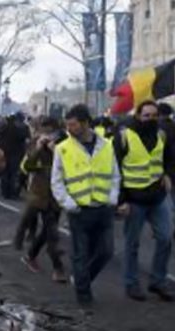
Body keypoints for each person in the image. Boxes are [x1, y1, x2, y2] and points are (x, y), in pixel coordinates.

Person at [51, 104, 121, 307]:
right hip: (79, 210)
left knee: (106, 251)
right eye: (67, 125)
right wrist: (68, 203)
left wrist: (113, 197)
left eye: (72, 124)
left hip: (103, 208)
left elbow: (115, 174)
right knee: (80, 254)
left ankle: (82, 279)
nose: (69, 129)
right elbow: (56, 181)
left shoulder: (107, 145)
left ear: (85, 123)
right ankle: (84, 295)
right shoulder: (63, 148)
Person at [113, 100, 174, 301]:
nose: (151, 119)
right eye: (146, 115)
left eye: (154, 115)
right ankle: (132, 284)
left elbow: (168, 158)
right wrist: (121, 200)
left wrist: (167, 175)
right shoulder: (124, 136)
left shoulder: (161, 134)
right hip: (134, 199)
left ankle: (158, 281)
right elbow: (115, 170)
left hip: (157, 196)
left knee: (165, 238)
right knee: (132, 243)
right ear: (138, 116)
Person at [20, 116, 68, 283]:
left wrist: (56, 150)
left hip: (58, 194)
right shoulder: (35, 142)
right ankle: (58, 268)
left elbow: (70, 165)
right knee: (52, 232)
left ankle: (30, 255)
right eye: (44, 132)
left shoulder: (65, 144)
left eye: (50, 132)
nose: (47, 136)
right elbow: (27, 166)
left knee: (48, 231)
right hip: (40, 194)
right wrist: (39, 148)